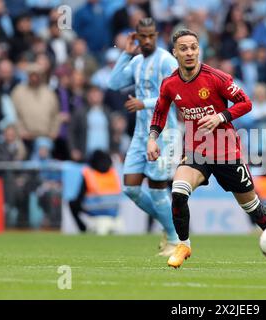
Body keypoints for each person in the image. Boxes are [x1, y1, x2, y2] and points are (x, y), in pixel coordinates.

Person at [147, 29, 266, 271]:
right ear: (175, 53)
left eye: (193, 47)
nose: (189, 52)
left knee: (252, 206)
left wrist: (221, 116)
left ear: (199, 50)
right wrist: (152, 138)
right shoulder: (170, 84)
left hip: (226, 151)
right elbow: (160, 111)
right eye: (184, 48)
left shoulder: (216, 77)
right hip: (196, 150)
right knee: (178, 191)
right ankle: (183, 244)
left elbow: (246, 103)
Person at [108, 17, 180, 256]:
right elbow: (114, 83)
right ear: (136, 37)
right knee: (130, 188)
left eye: (151, 35)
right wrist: (125, 54)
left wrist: (144, 103)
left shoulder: (167, 61)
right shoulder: (137, 61)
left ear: (156, 35)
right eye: (143, 36)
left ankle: (174, 239)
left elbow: (176, 94)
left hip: (163, 134)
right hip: (140, 135)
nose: (147, 40)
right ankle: (169, 225)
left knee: (158, 188)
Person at [69, 150, 122, 235]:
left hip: (94, 210)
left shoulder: (89, 173)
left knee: (72, 203)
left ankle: (83, 229)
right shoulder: (113, 173)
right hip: (114, 211)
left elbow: (79, 198)